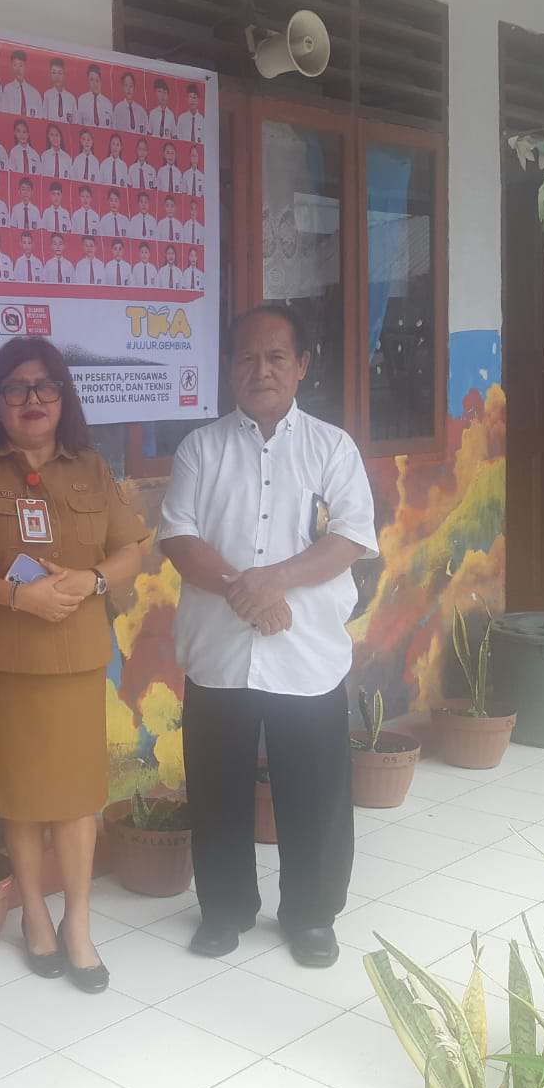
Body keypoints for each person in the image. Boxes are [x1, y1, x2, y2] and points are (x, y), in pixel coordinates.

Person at [159, 305, 377, 969]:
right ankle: (223, 910)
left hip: (305, 654)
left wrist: (274, 581)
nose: (262, 370)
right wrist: (244, 593)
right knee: (217, 788)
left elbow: (350, 538)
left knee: (313, 792)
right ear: (229, 369)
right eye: (247, 358)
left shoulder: (332, 448)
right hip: (219, 652)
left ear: (301, 366)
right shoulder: (200, 449)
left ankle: (311, 916)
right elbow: (178, 538)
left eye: (276, 357)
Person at [0, 337, 147, 992]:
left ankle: (78, 923)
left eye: (45, 386)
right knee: (21, 800)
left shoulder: (93, 469)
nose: (32, 399)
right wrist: (14, 596)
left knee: (77, 799)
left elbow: (132, 551)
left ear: (63, 397)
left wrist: (91, 580)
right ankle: (33, 915)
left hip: (76, 661)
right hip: (5, 664)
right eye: (15, 388)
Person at [0, 48, 43, 116]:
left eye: (21, 65)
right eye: (15, 65)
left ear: (26, 66)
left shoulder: (35, 93)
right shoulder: (7, 89)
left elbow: (40, 117)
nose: (18, 69)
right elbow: (3, 113)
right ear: (11, 67)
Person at [77, 63, 113, 128]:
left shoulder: (108, 103)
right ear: (88, 81)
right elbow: (79, 124)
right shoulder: (82, 100)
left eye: (97, 80)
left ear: (101, 81)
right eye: (91, 80)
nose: (95, 84)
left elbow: (112, 127)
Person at [43, 56, 78, 122]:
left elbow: (75, 121)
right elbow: (44, 118)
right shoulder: (47, 95)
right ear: (50, 74)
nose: (57, 76)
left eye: (60, 73)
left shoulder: (71, 98)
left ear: (64, 74)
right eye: (54, 72)